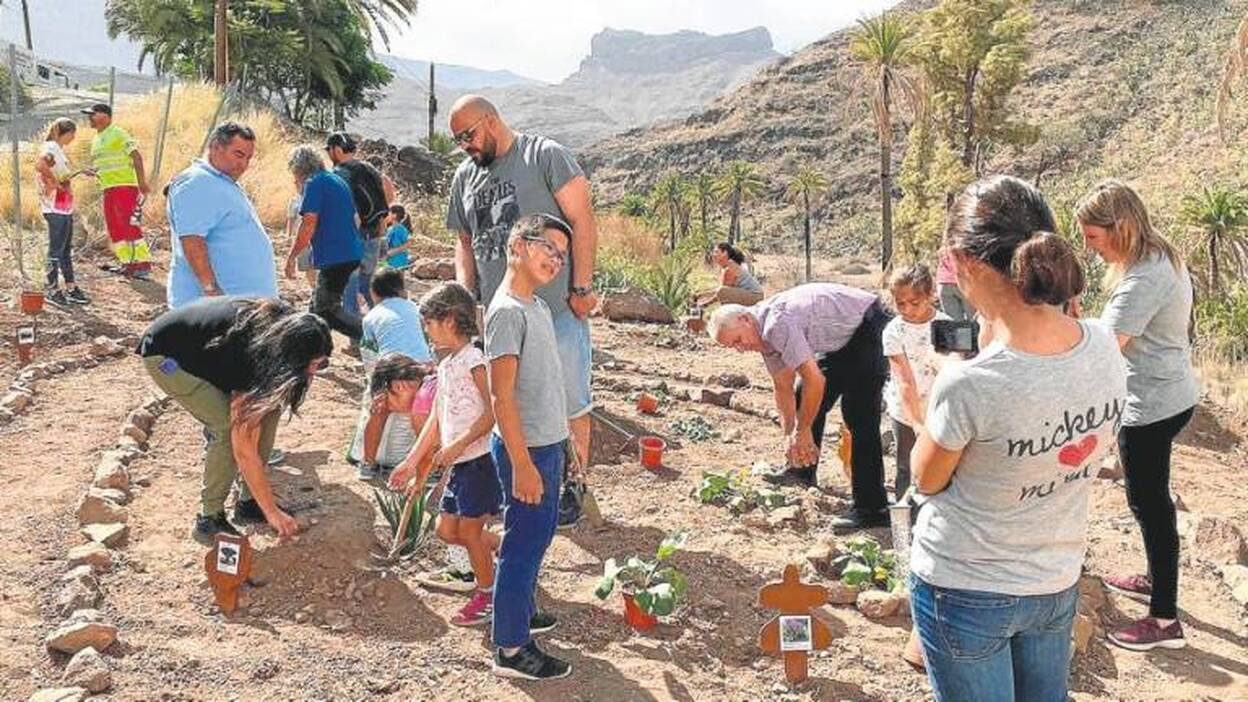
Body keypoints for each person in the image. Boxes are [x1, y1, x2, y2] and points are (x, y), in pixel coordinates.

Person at [908, 175, 1127, 702]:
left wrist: (942, 381)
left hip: (966, 586)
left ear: (966, 262)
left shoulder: (970, 384)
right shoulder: (1102, 344)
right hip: (1054, 579)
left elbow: (927, 479)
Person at [446, 95, 598, 480]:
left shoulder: (544, 155)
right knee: (509, 403)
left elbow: (582, 220)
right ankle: (524, 482)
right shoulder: (464, 176)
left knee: (570, 404)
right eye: (458, 140)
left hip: (557, 311)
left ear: (492, 120)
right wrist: (465, 296)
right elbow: (464, 241)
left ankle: (571, 489)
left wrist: (581, 288)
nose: (465, 145)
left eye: (469, 134)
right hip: (501, 318)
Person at [1076, 179, 1199, 651]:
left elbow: (1105, 350)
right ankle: (1155, 577)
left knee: (1151, 504)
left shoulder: (1145, 277)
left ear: (1119, 228)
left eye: (1093, 237)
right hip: (1168, 393)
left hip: (1150, 406)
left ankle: (1165, 621)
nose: (1090, 248)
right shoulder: (1159, 255)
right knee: (1148, 501)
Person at [137, 297, 332, 543]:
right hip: (167, 357)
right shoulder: (250, 356)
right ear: (292, 354)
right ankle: (209, 519)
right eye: (310, 364)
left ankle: (249, 504)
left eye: (321, 364)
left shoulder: (289, 332)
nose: (313, 372)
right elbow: (244, 450)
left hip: (209, 353)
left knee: (269, 413)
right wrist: (273, 512)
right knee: (226, 428)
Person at [706, 283, 892, 530]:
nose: (741, 349)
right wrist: (789, 437)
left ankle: (872, 508)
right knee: (803, 395)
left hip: (869, 322)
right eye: (734, 346)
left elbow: (815, 379)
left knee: (859, 414)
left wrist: (802, 430)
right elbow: (782, 386)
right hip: (841, 338)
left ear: (745, 319)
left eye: (738, 340)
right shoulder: (760, 335)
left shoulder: (776, 324)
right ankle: (801, 469)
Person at [485, 215, 573, 680]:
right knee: (523, 543)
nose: (556, 260)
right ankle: (512, 648)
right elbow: (502, 395)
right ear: (518, 244)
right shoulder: (506, 313)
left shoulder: (534, 306)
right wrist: (521, 463)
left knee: (535, 538)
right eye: (549, 249)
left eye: (562, 255)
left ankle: (519, 609)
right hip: (527, 451)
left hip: (546, 444)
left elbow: (545, 385)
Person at [389, 282, 501, 627]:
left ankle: (487, 594)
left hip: (479, 462)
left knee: (468, 532)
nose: (427, 332)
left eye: (430, 324)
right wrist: (411, 461)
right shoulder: (447, 364)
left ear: (450, 320)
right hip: (460, 465)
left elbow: (494, 412)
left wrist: (458, 444)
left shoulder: (475, 360)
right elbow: (437, 417)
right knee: (445, 531)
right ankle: (505, 549)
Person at [165, 122, 278, 309]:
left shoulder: (220, 181)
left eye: (248, 158)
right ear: (216, 147)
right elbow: (192, 241)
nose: (243, 165)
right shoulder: (198, 182)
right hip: (213, 310)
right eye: (238, 155)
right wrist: (212, 292)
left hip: (240, 308)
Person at [352, 268, 435, 480]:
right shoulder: (415, 308)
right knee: (422, 415)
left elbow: (370, 354)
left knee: (379, 409)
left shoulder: (371, 317)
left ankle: (367, 464)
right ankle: (429, 466)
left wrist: (375, 382)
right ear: (401, 291)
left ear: (374, 293)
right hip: (421, 370)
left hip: (393, 368)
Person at [882, 264, 949, 500]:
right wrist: (917, 424)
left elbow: (952, 373)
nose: (908, 309)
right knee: (906, 466)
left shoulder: (945, 325)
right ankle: (906, 525)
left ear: (930, 295)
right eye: (901, 304)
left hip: (938, 407)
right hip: (906, 410)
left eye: (915, 303)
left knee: (940, 469)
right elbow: (904, 382)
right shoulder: (893, 331)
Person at [285, 145, 363, 342]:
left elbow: (308, 223)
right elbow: (355, 217)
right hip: (349, 251)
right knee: (316, 311)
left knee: (326, 310)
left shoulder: (314, 183)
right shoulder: (336, 180)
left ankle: (372, 337)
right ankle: (314, 351)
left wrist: (292, 256)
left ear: (298, 169)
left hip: (336, 255)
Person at [81, 103, 151, 278]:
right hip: (108, 188)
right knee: (115, 227)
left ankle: (142, 264)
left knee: (129, 225)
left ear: (105, 116)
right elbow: (104, 164)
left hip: (125, 187)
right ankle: (127, 263)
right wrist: (94, 171)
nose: (89, 118)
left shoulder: (118, 133)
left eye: (93, 114)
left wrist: (142, 182)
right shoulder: (97, 139)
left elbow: (136, 156)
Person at [327, 132, 394, 310]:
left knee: (350, 287)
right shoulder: (369, 168)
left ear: (337, 149)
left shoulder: (339, 174)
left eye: (329, 150)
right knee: (367, 285)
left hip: (352, 237)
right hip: (373, 234)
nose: (328, 154)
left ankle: (355, 334)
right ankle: (380, 321)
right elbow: (388, 195)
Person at [35, 118, 90, 307]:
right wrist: (55, 184)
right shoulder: (50, 147)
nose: (73, 138)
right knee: (56, 249)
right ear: (65, 133)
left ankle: (71, 287)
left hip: (63, 206)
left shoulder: (57, 150)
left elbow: (60, 173)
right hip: (53, 206)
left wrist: (81, 172)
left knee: (65, 250)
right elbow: (41, 166)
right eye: (72, 134)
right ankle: (51, 289)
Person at [694, 242, 764, 306]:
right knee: (722, 291)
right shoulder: (728, 266)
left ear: (724, 253)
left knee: (722, 291)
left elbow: (722, 293)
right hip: (750, 294)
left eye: (716, 252)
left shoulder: (730, 268)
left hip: (755, 296)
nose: (713, 254)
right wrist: (700, 295)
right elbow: (721, 291)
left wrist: (705, 304)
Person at [936, 248, 975, 321]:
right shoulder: (963, 244)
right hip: (962, 283)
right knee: (974, 320)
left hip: (943, 284)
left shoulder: (944, 248)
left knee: (955, 324)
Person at [383, 204, 414, 269]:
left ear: (394, 215)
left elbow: (408, 244)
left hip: (399, 261)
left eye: (389, 213)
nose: (386, 216)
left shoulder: (401, 229)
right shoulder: (390, 229)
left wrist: (393, 252)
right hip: (390, 262)